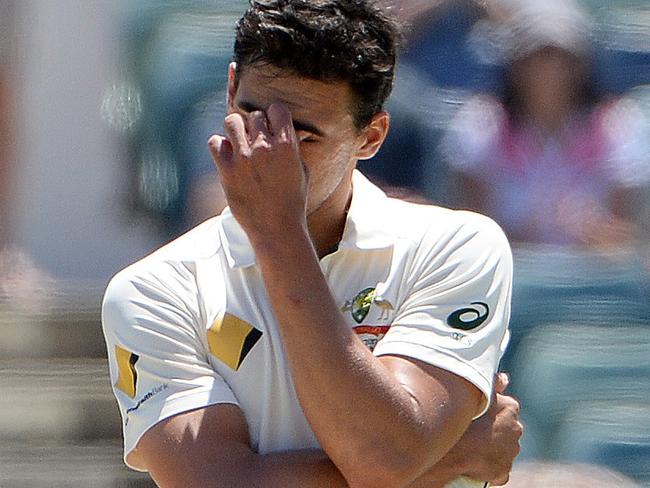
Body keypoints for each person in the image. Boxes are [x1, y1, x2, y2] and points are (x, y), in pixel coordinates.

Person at [102, 1, 522, 487]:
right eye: (251, 114)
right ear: (230, 88)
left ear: (371, 136)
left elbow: (383, 455)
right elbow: (222, 485)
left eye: (304, 135)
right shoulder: (151, 290)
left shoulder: (457, 247)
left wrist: (277, 233)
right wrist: (450, 458)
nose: (266, 149)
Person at [442, 0, 650, 248]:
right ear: (516, 65)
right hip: (509, 272)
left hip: (595, 279)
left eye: (563, 59)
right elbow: (473, 234)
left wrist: (592, 231)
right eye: (537, 58)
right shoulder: (480, 125)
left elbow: (624, 243)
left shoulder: (617, 125)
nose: (550, 72)